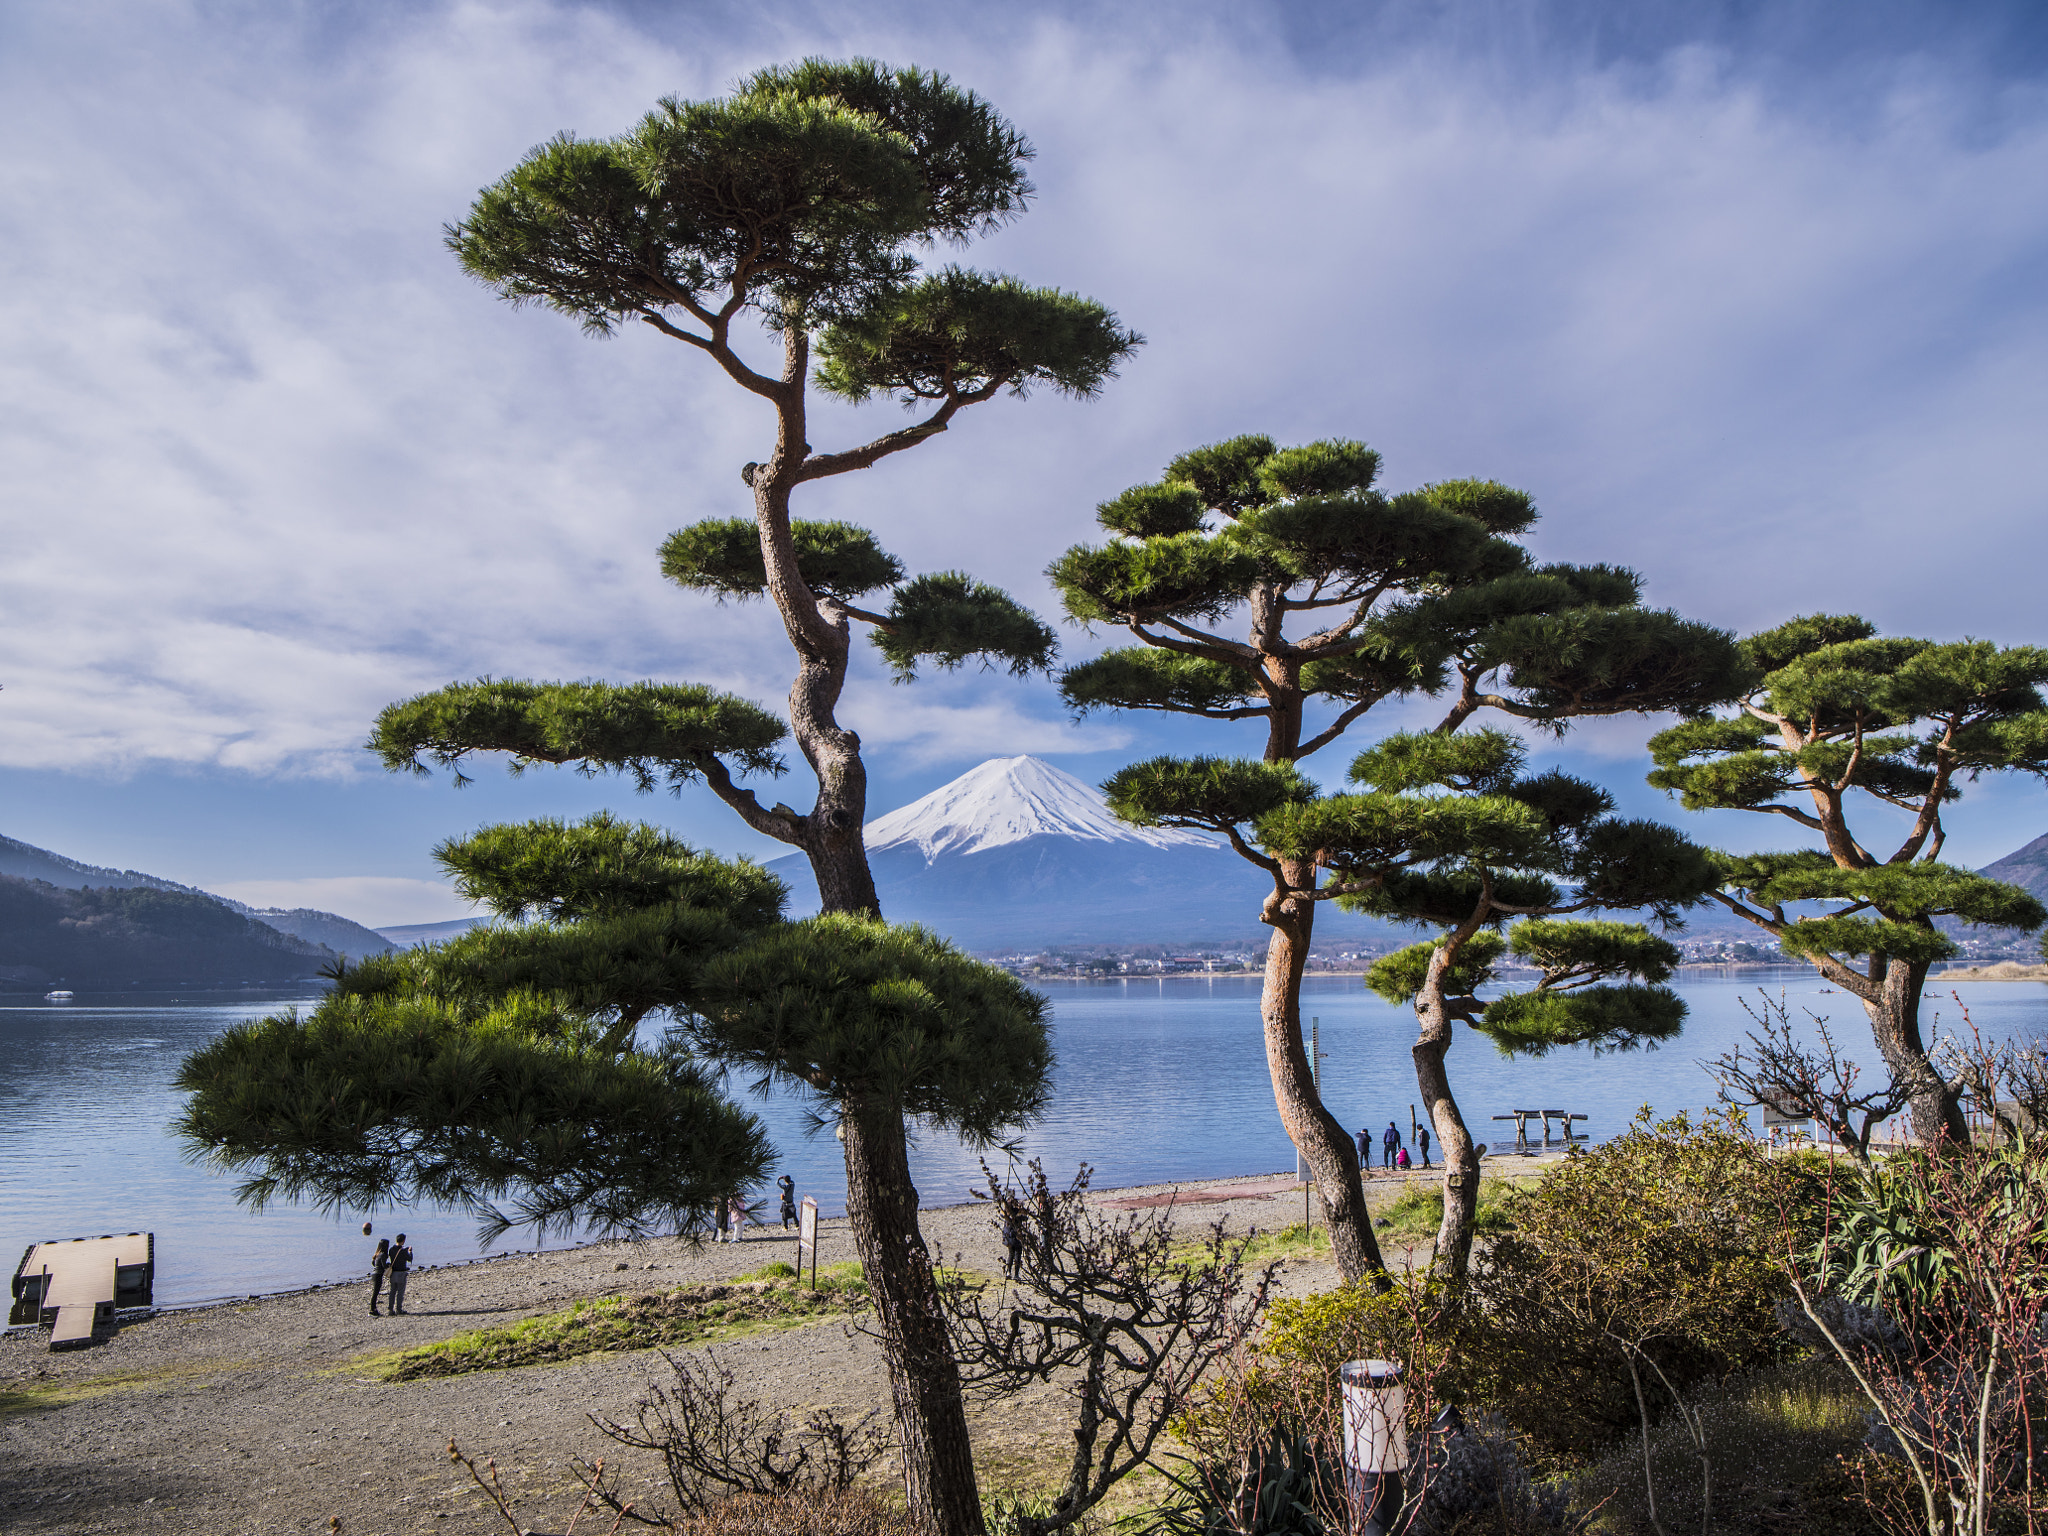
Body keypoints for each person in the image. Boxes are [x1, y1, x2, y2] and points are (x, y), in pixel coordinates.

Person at [386, 1234, 413, 1315]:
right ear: (403, 1240)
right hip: (401, 1272)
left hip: (393, 1273)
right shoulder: (403, 1250)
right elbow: (409, 1259)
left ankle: (390, 1309)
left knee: (392, 1291)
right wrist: (410, 1252)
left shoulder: (391, 1249)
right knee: (400, 1292)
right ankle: (398, 1309)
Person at [1000, 1209, 1024, 1280]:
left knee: (1011, 1255)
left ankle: (1008, 1272)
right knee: (1017, 1256)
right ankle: (1016, 1274)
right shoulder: (1016, 1215)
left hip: (1009, 1239)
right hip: (1016, 1238)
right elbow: (1024, 1218)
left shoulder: (1006, 1218)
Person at [369, 1238, 390, 1317]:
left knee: (375, 1293)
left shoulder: (377, 1254)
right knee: (375, 1293)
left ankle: (373, 1309)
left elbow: (374, 1264)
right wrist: (389, 1264)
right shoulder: (383, 1255)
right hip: (378, 1275)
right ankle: (372, 1310)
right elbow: (384, 1266)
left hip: (374, 1274)